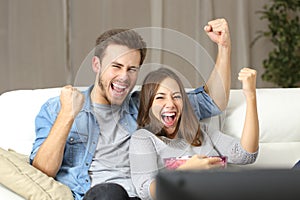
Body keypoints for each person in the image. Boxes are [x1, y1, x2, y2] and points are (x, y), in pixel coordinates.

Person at [29, 18, 231, 200]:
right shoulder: (57, 108)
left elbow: (211, 101)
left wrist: (224, 48)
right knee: (111, 193)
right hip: (100, 196)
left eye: (131, 69)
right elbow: (42, 171)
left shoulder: (146, 105)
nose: (124, 77)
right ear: (96, 64)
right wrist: (67, 115)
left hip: (143, 196)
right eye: (116, 66)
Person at [129, 67, 259, 200]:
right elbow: (145, 192)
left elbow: (245, 155)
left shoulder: (202, 131)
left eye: (176, 96)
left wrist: (250, 96)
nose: (170, 104)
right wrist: (184, 171)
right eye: (160, 97)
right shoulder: (143, 138)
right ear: (148, 105)